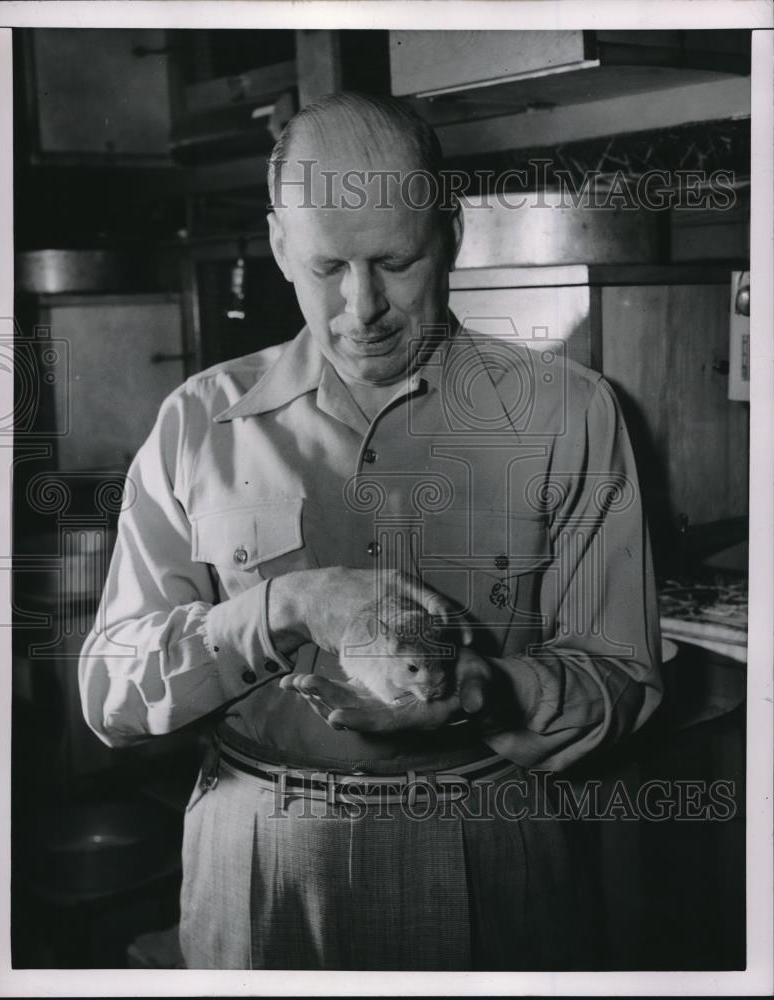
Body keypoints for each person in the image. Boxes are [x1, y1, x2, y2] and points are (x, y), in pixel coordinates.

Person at [79, 92, 663, 971]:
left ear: (451, 233)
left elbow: (622, 676)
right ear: (279, 246)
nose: (363, 309)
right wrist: (281, 607)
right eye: (327, 269)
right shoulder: (198, 420)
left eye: (395, 262)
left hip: (488, 840)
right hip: (258, 858)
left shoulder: (570, 413)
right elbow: (111, 696)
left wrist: (489, 690)